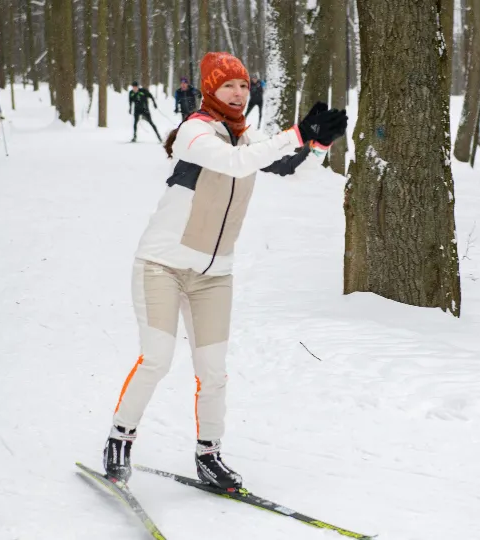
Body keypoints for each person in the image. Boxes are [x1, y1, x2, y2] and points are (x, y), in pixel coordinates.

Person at [102, 52, 347, 489]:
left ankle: (209, 455)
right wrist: (293, 133)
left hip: (214, 276)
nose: (238, 92)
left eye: (243, 85)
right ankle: (120, 438)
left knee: (214, 371)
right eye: (229, 85)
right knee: (157, 359)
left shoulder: (247, 138)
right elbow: (234, 163)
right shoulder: (195, 132)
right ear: (210, 89)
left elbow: (291, 172)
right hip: (161, 265)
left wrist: (316, 144)